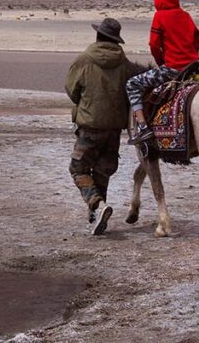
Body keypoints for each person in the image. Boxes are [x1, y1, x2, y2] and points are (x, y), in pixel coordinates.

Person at [65, 17, 146, 235]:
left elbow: (72, 91)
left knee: (78, 168)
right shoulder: (125, 65)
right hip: (113, 129)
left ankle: (96, 205)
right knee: (102, 172)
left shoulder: (83, 61)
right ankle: (97, 217)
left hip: (89, 127)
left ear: (98, 35)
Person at [125, 0, 199, 145]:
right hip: (193, 68)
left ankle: (143, 127)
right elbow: (196, 41)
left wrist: (161, 63)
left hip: (173, 68)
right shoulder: (186, 16)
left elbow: (153, 44)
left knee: (132, 84)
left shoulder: (160, 16)